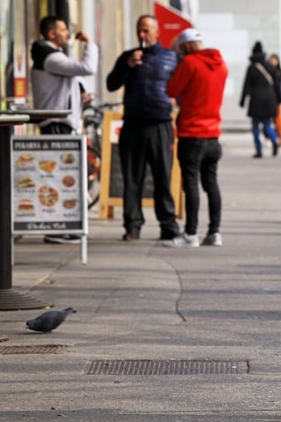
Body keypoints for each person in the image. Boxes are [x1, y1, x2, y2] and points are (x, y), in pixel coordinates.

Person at [106, 14, 181, 242]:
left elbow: (183, 86)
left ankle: (168, 225)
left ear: (157, 32)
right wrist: (126, 67)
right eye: (139, 30)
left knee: (162, 176)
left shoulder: (171, 58)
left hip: (160, 124)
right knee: (132, 177)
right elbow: (111, 84)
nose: (142, 35)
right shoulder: (128, 57)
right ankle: (132, 226)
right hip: (133, 124)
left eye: (146, 30)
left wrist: (176, 101)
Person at [30, 15, 99, 244]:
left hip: (60, 122)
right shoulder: (50, 58)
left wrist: (80, 98)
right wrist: (90, 43)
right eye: (63, 29)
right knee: (55, 175)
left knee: (60, 174)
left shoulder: (52, 57)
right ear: (51, 34)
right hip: (55, 124)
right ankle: (54, 228)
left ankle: (59, 226)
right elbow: (87, 67)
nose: (67, 33)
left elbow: (68, 83)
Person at [164, 28, 227, 247]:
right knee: (211, 184)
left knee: (190, 184)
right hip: (213, 134)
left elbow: (172, 89)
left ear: (187, 46)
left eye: (181, 49)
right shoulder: (221, 65)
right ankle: (214, 232)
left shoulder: (190, 64)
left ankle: (191, 234)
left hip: (192, 132)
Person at [239, 42, 281, 158]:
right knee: (267, 124)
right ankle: (274, 140)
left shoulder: (251, 68)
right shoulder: (270, 67)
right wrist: (280, 99)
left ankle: (259, 151)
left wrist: (242, 100)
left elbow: (246, 86)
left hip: (256, 99)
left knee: (255, 126)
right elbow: (277, 85)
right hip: (269, 98)